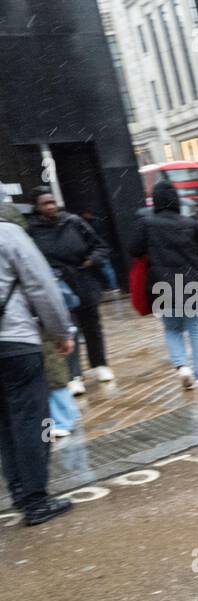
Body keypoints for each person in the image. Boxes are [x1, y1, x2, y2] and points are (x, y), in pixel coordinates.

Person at [0, 204, 76, 526]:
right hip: (16, 342)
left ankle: (18, 490)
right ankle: (36, 500)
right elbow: (41, 286)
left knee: (4, 424)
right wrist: (61, 331)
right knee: (33, 422)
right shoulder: (9, 234)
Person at [129, 182, 198, 389]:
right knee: (197, 332)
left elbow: (133, 250)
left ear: (156, 201)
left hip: (163, 284)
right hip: (193, 282)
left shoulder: (147, 224)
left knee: (172, 329)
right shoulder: (190, 223)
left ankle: (182, 366)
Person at [29, 191, 113, 385]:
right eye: (45, 203)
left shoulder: (73, 222)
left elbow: (100, 247)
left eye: (52, 202)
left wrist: (91, 261)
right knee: (67, 330)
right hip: (57, 285)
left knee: (92, 327)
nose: (50, 206)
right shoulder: (32, 230)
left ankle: (100, 365)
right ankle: (74, 375)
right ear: (37, 207)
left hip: (83, 280)